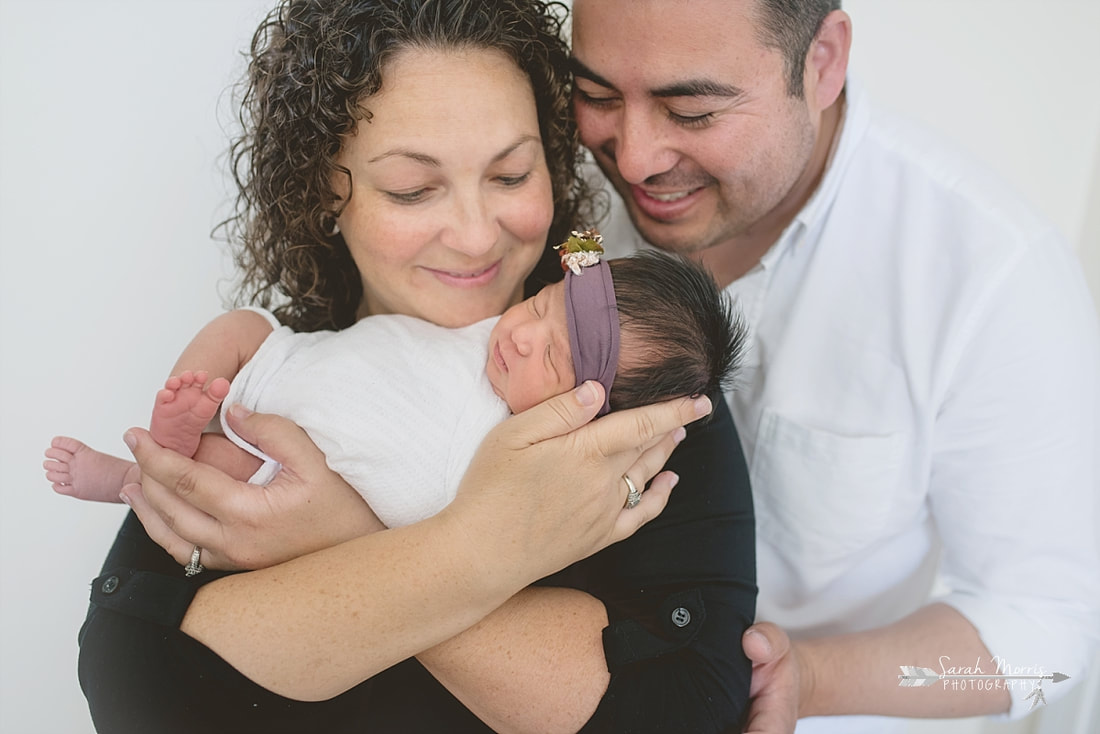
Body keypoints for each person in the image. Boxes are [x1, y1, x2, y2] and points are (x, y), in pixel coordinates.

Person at [71, 1, 757, 732]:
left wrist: (347, 535)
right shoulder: (282, 377)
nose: (473, 235)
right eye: (411, 188)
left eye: (512, 174)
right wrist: (476, 563)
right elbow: (135, 676)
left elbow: (689, 710)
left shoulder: (635, 383)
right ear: (324, 192)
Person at [565, 0, 1100, 732]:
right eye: (595, 95)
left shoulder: (995, 277)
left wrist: (814, 679)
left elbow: (1047, 636)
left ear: (822, 62)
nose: (632, 157)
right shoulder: (564, 196)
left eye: (691, 111)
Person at [47, 245, 746, 532]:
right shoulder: (490, 325)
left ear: (590, 416)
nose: (524, 333)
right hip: (288, 365)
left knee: (229, 477)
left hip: (297, 463)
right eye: (541, 304)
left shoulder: (510, 452)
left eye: (557, 358)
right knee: (237, 327)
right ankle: (174, 427)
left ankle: (133, 474)